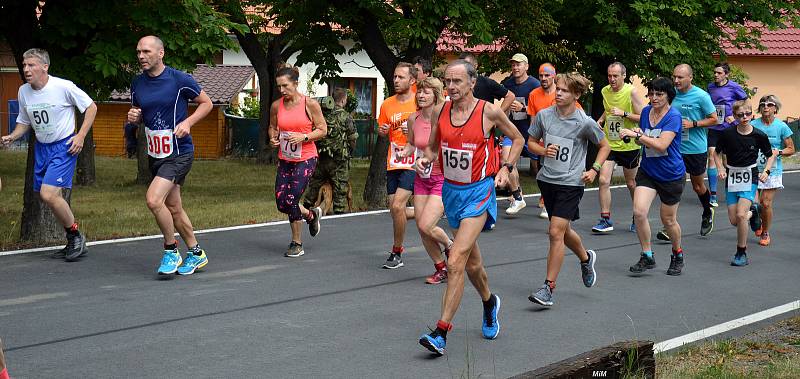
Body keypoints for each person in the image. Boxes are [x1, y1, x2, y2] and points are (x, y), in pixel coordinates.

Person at [417, 59, 524, 356]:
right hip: (451, 192)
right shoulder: (441, 111)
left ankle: (440, 332)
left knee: (456, 260)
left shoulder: (489, 111)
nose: (451, 87)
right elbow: (434, 146)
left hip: (479, 192)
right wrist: (426, 158)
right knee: (472, 264)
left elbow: (517, 138)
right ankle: (490, 302)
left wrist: (506, 167)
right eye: (448, 82)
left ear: (472, 83)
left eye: (457, 82)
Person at [126, 36, 212, 275]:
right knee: (173, 207)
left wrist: (188, 122)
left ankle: (170, 250)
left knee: (154, 200)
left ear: (160, 53)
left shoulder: (179, 79)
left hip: (179, 152)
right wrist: (135, 117)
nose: (141, 56)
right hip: (157, 153)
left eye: (146, 51)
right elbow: (142, 112)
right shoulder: (137, 83)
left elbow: (207, 104)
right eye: (138, 52)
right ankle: (196, 253)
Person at [1, 48, 96, 262]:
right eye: (24, 65)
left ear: (45, 66)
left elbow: (91, 107)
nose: (26, 69)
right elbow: (24, 122)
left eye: (31, 65)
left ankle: (76, 235)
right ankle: (72, 239)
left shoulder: (63, 86)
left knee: (48, 194)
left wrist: (80, 136)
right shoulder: (23, 91)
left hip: (64, 146)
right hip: (42, 148)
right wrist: (12, 136)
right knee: (52, 198)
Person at [527, 72, 609, 307]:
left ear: (576, 94)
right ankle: (585, 258)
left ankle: (548, 288)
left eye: (564, 90)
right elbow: (531, 141)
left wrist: (594, 169)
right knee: (563, 230)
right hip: (547, 180)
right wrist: (543, 151)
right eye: (558, 89)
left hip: (571, 183)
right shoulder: (544, 116)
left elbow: (604, 145)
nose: (558, 93)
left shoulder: (584, 122)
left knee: (555, 232)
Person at [621, 78, 686, 276]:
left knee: (668, 220)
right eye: (651, 94)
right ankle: (647, 255)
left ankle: (677, 253)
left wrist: (636, 137)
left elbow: (661, 145)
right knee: (639, 212)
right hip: (649, 170)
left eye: (659, 94)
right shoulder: (647, 112)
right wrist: (638, 132)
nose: (654, 98)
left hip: (671, 175)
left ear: (668, 96)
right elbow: (646, 136)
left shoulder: (673, 116)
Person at [399, 77, 453, 284]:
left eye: (426, 92)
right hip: (422, 177)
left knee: (426, 223)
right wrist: (404, 152)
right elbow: (412, 144)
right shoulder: (413, 119)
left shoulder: (444, 119)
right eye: (419, 91)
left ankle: (450, 245)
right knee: (422, 228)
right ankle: (441, 268)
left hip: (442, 177)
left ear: (436, 95)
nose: (421, 95)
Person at [269, 66, 325, 257]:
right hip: (286, 158)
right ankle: (311, 215)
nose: (282, 90)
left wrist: (305, 137)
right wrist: (273, 137)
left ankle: (296, 243)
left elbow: (322, 129)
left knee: (291, 199)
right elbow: (272, 127)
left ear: (295, 84)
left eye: (285, 85)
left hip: (306, 157)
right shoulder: (277, 106)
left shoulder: (310, 104)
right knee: (281, 202)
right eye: (279, 87)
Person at [658, 64, 718, 241]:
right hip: (675, 148)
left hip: (695, 148)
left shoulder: (701, 96)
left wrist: (694, 124)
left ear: (690, 77)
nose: (676, 80)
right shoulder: (670, 95)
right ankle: (668, 226)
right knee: (675, 185)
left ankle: (707, 210)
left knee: (698, 186)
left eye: (680, 77)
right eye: (674, 77)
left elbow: (714, 119)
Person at [712, 100, 774, 266]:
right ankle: (753, 212)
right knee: (735, 220)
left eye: (747, 114)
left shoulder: (759, 135)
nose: (744, 117)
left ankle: (741, 253)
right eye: (740, 115)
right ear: (735, 116)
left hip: (750, 175)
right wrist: (720, 168)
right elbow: (715, 154)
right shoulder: (728, 134)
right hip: (732, 175)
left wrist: (766, 172)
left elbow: (771, 155)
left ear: (752, 114)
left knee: (740, 215)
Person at [593, 62, 644, 234]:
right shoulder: (604, 91)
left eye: (615, 76)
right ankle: (605, 219)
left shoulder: (631, 92)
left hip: (628, 144)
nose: (612, 79)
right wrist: (601, 119)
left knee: (631, 183)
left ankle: (638, 216)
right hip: (609, 143)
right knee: (603, 180)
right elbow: (608, 110)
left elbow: (643, 118)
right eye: (609, 75)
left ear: (624, 75)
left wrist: (624, 114)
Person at [377, 62, 418, 269]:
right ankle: (427, 213)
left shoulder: (420, 102)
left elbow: (433, 127)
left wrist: (414, 128)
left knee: (397, 206)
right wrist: (383, 131)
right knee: (396, 211)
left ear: (412, 80)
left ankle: (396, 251)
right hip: (394, 160)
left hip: (414, 160)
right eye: (394, 77)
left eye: (401, 77)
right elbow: (382, 131)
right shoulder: (387, 104)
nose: (396, 80)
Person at [302, 88, 358, 215]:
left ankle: (305, 209)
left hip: (321, 157)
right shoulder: (345, 116)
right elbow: (352, 138)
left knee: (315, 185)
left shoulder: (322, 114)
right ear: (344, 100)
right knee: (340, 187)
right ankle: (338, 212)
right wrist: (350, 152)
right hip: (339, 160)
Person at [500, 53, 541, 215]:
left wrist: (523, 109)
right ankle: (518, 196)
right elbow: (503, 107)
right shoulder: (508, 84)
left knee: (538, 168)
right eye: (513, 65)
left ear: (526, 66)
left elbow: (540, 108)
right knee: (506, 161)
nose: (515, 67)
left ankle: (545, 196)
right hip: (513, 131)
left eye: (519, 64)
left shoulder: (535, 84)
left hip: (531, 132)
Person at [752, 95, 793, 246]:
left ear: (775, 108)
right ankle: (757, 222)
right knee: (754, 204)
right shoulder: (753, 124)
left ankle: (765, 232)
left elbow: (791, 148)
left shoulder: (781, 126)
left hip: (773, 170)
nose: (766, 107)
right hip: (754, 169)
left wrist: (779, 152)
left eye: (769, 104)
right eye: (762, 104)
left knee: (766, 203)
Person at [707, 62, 748, 207]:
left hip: (729, 128)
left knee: (727, 161)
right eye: (715, 72)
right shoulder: (710, 87)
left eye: (719, 73)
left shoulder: (734, 86)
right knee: (712, 156)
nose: (715, 75)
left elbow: (745, 102)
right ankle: (713, 195)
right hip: (714, 127)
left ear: (726, 74)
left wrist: (736, 117)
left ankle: (731, 189)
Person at [526, 63, 560, 219]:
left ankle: (549, 203)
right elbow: (533, 119)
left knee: (555, 171)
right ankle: (545, 196)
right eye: (541, 75)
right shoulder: (534, 94)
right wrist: (535, 138)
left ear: (554, 76)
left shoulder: (560, 93)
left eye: (547, 75)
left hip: (559, 139)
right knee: (541, 171)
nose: (544, 78)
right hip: (541, 139)